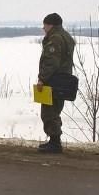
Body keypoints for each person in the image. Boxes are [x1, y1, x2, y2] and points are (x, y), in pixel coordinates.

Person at [36, 12, 75, 153]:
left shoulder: (55, 39)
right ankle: (54, 141)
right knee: (55, 110)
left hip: (53, 81)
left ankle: (55, 144)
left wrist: (42, 78)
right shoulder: (66, 37)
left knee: (49, 111)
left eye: (44, 25)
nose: (43, 28)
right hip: (63, 80)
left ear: (50, 25)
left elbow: (51, 62)